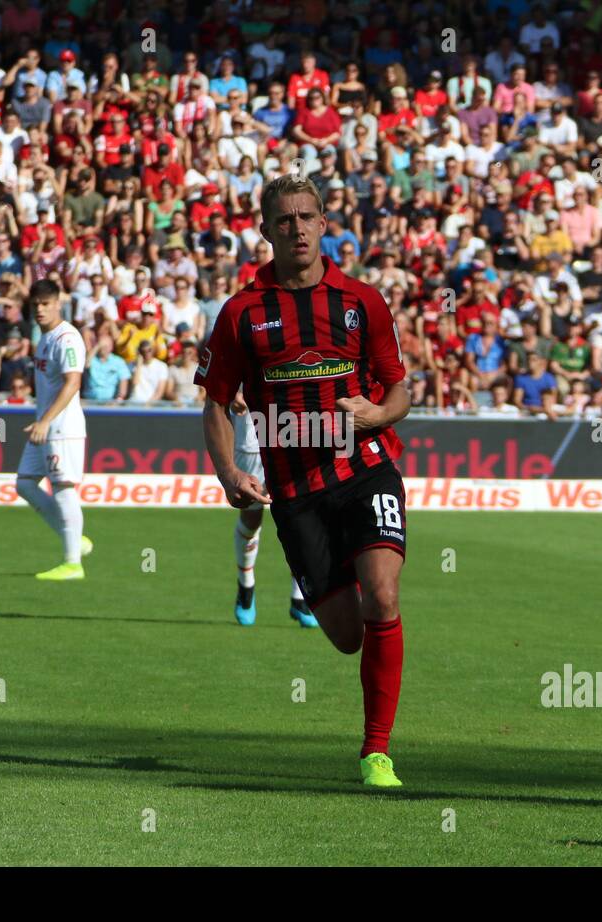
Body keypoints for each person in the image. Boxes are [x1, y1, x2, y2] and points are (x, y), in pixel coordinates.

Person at [197, 174, 410, 788]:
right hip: (294, 493)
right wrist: (228, 470)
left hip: (366, 469)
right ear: (266, 231)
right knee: (346, 636)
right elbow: (215, 401)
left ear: (323, 224)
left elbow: (398, 390)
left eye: (307, 217)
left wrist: (376, 414)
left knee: (384, 596)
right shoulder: (241, 312)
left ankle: (376, 752)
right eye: (283, 220)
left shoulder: (362, 300)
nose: (296, 228)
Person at [14, 278, 93, 581]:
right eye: (36, 305)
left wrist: (46, 420)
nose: (40, 310)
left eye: (46, 304)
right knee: (25, 483)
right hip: (44, 426)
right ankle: (73, 536)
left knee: (62, 487)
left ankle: (73, 562)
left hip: (62, 427)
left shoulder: (67, 338)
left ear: (58, 304)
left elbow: (73, 382)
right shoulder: (44, 337)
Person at [227, 387, 318, 630]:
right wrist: (233, 391)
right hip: (253, 435)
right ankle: (246, 586)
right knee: (251, 516)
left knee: (300, 519)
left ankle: (301, 596)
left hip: (300, 431)